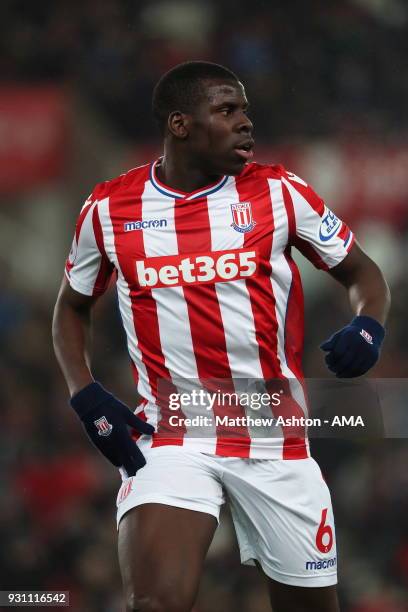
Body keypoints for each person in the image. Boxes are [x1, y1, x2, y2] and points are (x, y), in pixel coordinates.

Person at [52, 61, 390, 612]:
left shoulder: (280, 193)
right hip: (172, 436)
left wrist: (368, 326)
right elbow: (71, 307)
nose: (245, 123)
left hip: (275, 438)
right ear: (181, 125)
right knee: (154, 604)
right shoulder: (110, 208)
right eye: (227, 110)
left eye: (246, 110)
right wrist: (84, 394)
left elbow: (364, 274)